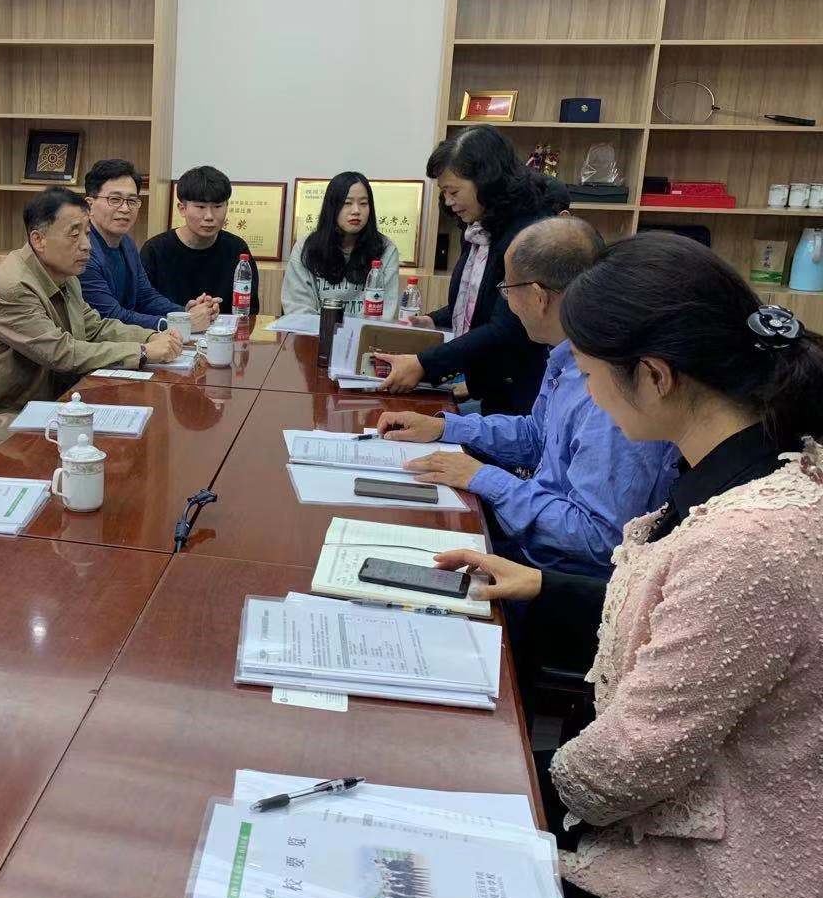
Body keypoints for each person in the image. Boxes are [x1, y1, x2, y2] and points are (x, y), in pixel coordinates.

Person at [434, 233, 823, 898]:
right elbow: (687, 621)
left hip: (712, 876)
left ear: (654, 376)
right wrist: (543, 585)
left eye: (588, 375)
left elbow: (635, 760)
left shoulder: (750, 537)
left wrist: (497, 788)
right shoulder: (744, 465)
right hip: (666, 805)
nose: (585, 393)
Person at [375, 218, 677, 578]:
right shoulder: (565, 355)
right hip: (532, 544)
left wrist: (484, 477)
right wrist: (445, 428)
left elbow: (599, 538)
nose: (508, 304)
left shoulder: (612, 390)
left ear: (537, 296)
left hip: (558, 576)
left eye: (507, 289)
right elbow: (538, 436)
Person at [0, 187, 181, 448]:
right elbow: (62, 353)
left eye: (87, 233)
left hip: (38, 405)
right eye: (74, 234)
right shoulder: (13, 287)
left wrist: (151, 336)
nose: (86, 245)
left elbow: (94, 328)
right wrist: (142, 352)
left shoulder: (65, 275)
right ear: (38, 239)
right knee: (95, 447)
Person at [374, 125, 549, 414]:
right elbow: (477, 300)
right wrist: (433, 321)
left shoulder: (527, 237)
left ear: (486, 181)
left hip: (519, 399)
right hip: (486, 387)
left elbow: (506, 328)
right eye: (443, 192)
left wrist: (423, 364)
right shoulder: (479, 228)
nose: (448, 202)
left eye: (453, 191)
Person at [78, 157, 218, 332]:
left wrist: (186, 313)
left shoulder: (126, 242)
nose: (125, 208)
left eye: (132, 201)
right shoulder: (83, 251)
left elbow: (146, 297)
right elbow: (110, 316)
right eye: (114, 199)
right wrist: (179, 324)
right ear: (89, 205)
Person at [140, 165, 261, 317]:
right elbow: (143, 304)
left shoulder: (237, 248)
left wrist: (212, 312)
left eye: (217, 206)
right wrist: (188, 313)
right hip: (171, 329)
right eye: (200, 207)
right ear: (182, 209)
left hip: (224, 329)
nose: (209, 216)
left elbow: (250, 308)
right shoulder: (155, 250)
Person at [281, 171, 400, 318]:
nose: (356, 211)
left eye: (363, 203)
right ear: (332, 207)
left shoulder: (386, 250)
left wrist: (349, 329)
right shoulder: (305, 248)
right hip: (313, 331)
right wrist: (326, 328)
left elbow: (383, 312)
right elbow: (297, 308)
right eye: (347, 203)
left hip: (364, 332)